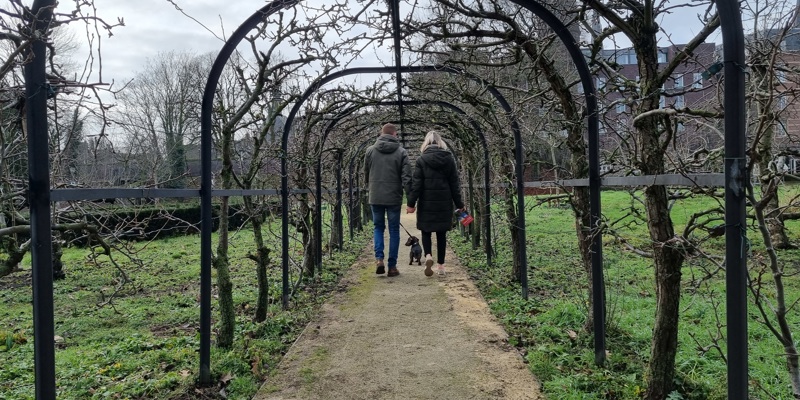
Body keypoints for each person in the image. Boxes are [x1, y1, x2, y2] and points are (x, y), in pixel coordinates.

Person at [406, 131, 465, 277]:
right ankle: (441, 267)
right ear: (441, 143)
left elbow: (417, 185)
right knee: (441, 235)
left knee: (426, 232)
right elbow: (454, 184)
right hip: (444, 202)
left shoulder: (421, 160)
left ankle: (428, 256)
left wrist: (411, 204)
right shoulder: (449, 159)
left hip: (426, 202)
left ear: (426, 143)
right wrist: (459, 204)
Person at [364, 123, 412, 277]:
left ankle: (379, 259)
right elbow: (406, 177)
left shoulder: (370, 151)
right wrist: (410, 199)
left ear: (381, 133)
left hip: (375, 195)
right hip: (393, 197)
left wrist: (370, 187)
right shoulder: (401, 152)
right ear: (394, 134)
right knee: (394, 231)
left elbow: (366, 172)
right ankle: (392, 266)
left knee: (378, 227)